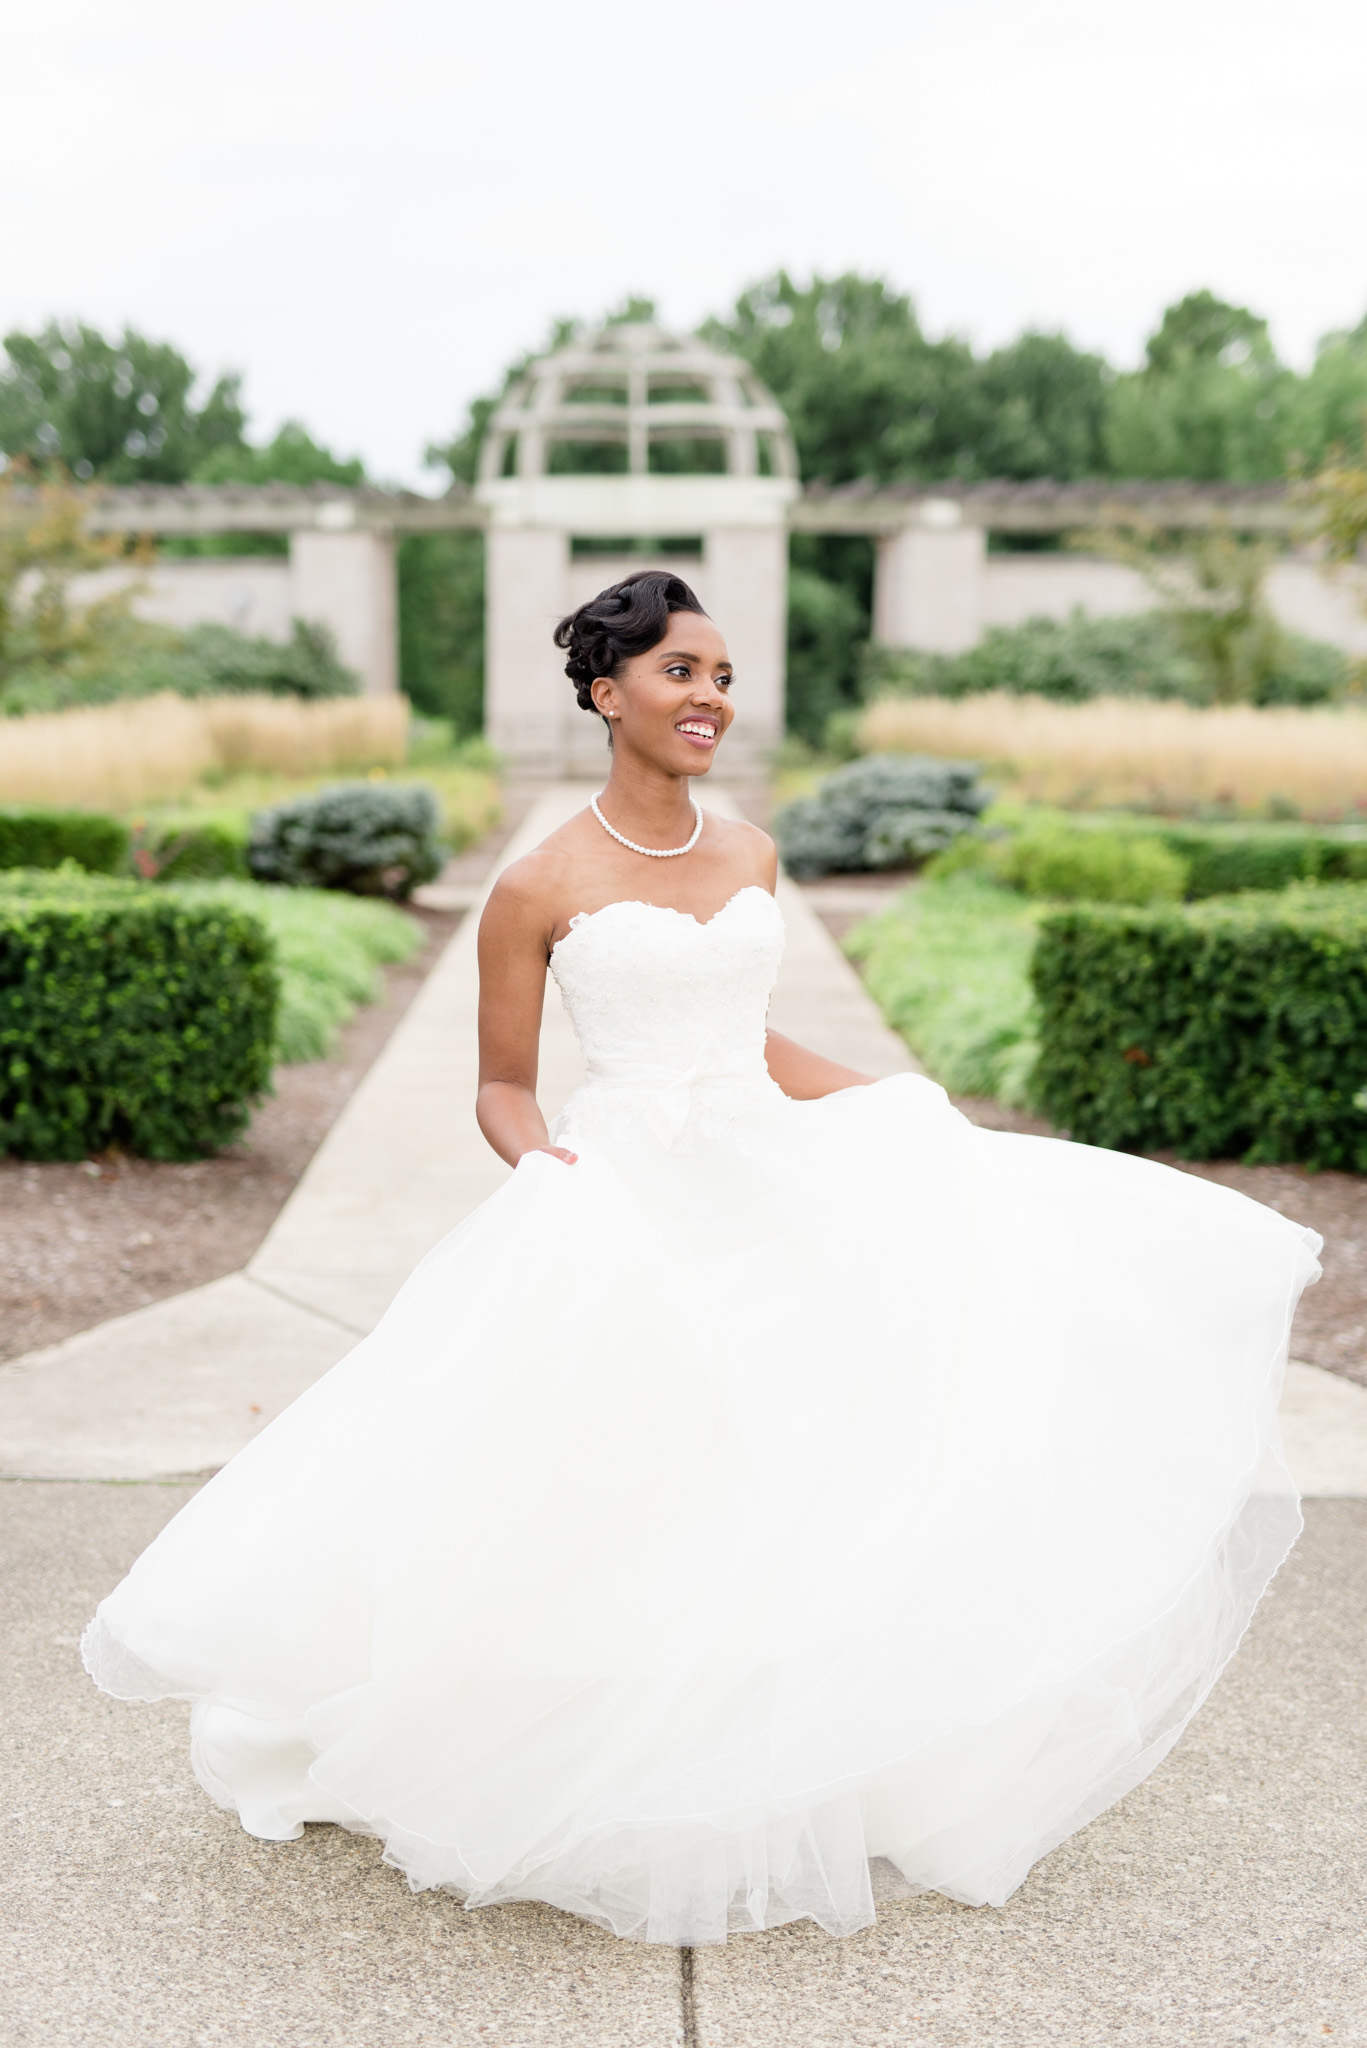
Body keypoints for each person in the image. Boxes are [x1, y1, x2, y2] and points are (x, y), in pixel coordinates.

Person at [84, 570, 1320, 1948]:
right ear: (607, 692)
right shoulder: (538, 884)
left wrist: (898, 1104)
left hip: (762, 1172)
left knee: (799, 1455)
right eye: (682, 673)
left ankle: (776, 1733)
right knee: (633, 1463)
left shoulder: (749, 855)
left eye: (723, 676)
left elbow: (754, 1042)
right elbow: (502, 1084)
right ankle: (588, 1728)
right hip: (624, 1187)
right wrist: (540, 1161)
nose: (711, 699)